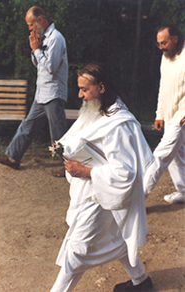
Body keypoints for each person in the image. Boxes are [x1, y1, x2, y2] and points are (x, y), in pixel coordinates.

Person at [49, 63, 154, 292]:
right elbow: (78, 136)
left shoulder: (118, 124)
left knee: (77, 249)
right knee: (115, 236)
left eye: (85, 89)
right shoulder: (96, 109)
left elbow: (125, 173)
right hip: (94, 191)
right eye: (79, 89)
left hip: (100, 195)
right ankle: (141, 281)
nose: (80, 95)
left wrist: (85, 171)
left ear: (102, 87)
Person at [0, 6, 68, 170]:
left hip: (54, 94)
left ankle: (69, 168)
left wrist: (36, 50)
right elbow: (38, 64)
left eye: (31, 24)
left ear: (40, 20)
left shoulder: (56, 38)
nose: (29, 28)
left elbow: (51, 68)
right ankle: (13, 158)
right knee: (27, 126)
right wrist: (35, 50)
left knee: (59, 134)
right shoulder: (45, 38)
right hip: (42, 93)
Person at [144, 24, 185, 204]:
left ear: (175, 39)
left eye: (164, 43)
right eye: (159, 44)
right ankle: (183, 190)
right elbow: (164, 85)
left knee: (160, 155)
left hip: (181, 117)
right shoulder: (165, 57)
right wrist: (159, 113)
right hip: (168, 114)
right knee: (177, 156)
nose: (161, 47)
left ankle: (137, 197)